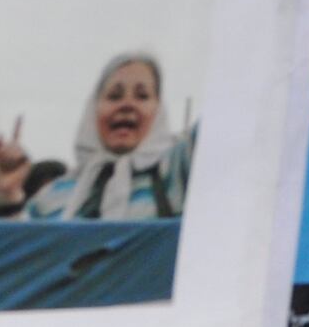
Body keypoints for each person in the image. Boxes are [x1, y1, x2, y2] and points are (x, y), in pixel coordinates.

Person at [11, 54, 192, 220]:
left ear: (159, 112)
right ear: (92, 111)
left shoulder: (178, 173)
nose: (127, 104)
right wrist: (6, 197)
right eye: (114, 96)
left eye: (142, 96)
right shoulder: (50, 198)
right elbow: (15, 247)